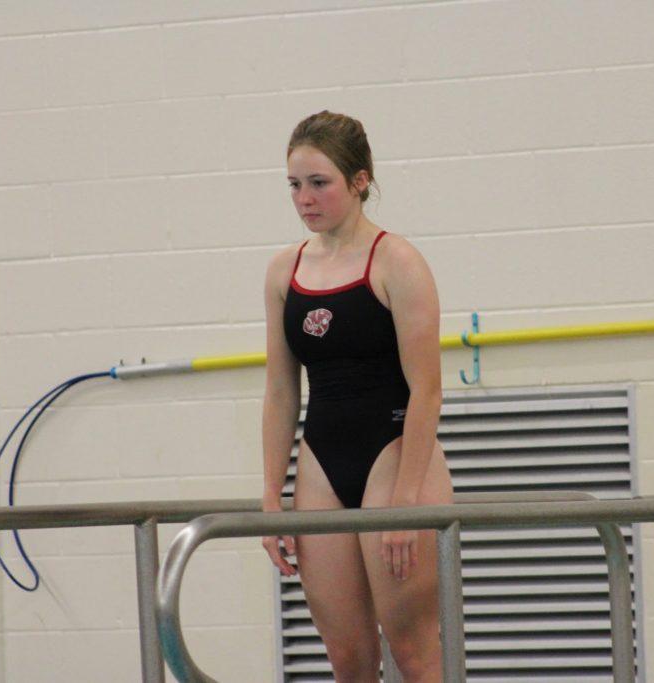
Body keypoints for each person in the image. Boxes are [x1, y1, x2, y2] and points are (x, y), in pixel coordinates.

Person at [261, 110, 454, 683]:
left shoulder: (397, 261)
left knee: (415, 655)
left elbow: (428, 390)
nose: (304, 198)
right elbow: (278, 392)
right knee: (348, 660)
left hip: (394, 456)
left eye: (319, 183)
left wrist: (405, 500)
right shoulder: (283, 271)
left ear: (360, 181)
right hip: (322, 459)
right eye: (294, 185)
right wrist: (271, 496)